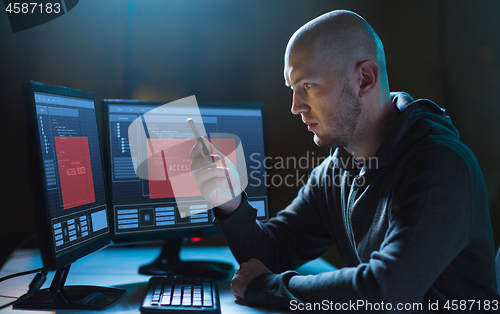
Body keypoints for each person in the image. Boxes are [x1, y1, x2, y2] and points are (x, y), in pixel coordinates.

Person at [190, 10, 500, 312]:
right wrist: (229, 202)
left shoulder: (440, 167)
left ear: (365, 78)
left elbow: (384, 291)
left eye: (308, 85)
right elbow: (270, 254)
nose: (296, 106)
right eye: (292, 89)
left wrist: (266, 288)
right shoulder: (339, 169)